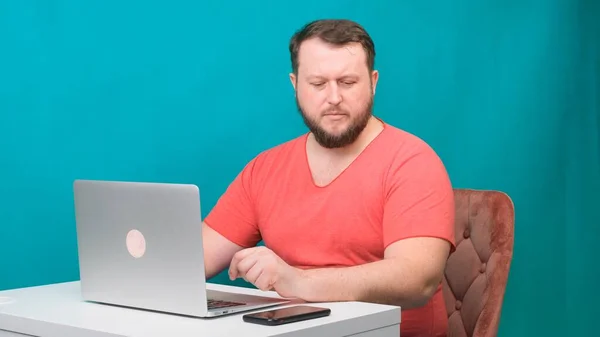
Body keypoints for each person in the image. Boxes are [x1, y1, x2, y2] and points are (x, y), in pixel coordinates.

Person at [202, 19, 456, 337]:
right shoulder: (265, 168)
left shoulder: (412, 162)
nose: (333, 97)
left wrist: (298, 282)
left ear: (373, 82)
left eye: (347, 82)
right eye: (318, 84)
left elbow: (417, 279)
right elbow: (197, 258)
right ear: (295, 85)